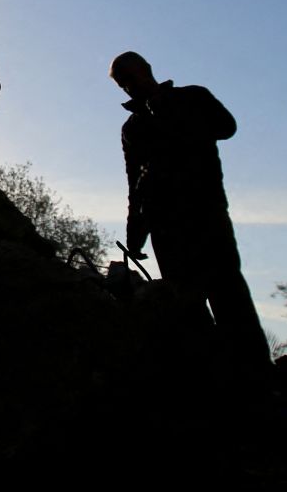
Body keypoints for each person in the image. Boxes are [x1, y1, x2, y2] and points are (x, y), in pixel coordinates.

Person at [110, 51, 268, 378]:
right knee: (186, 305)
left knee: (229, 295)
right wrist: (135, 229)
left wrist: (174, 119)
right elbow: (134, 181)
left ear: (147, 70)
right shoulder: (133, 128)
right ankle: (209, 379)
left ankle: (257, 375)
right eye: (123, 83)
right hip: (165, 225)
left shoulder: (192, 97)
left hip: (205, 211)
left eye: (131, 77)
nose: (129, 87)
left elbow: (226, 127)